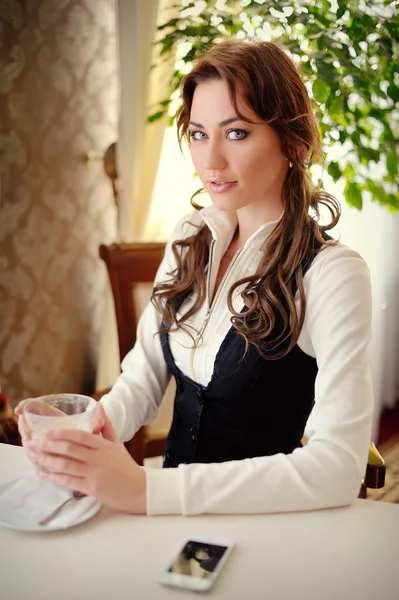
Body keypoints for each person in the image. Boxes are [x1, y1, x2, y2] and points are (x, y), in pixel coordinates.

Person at [15, 39, 373, 516]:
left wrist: (147, 491)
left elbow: (338, 468)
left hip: (269, 529)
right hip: (169, 524)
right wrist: (92, 425)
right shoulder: (190, 238)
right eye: (200, 134)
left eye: (237, 133)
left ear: (291, 140)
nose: (211, 160)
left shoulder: (332, 275)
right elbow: (142, 375)